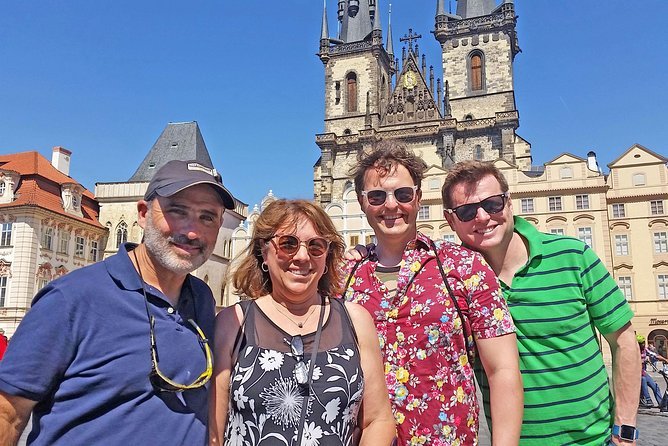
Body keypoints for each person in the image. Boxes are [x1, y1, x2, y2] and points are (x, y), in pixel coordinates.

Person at [0, 160, 235, 445]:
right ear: (143, 213)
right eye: (177, 211)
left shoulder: (201, 297)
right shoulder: (72, 297)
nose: (193, 231)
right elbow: (8, 414)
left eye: (207, 217)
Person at [440, 160, 641, 445]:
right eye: (467, 211)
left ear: (509, 203)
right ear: (451, 221)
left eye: (493, 204)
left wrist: (625, 428)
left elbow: (624, 341)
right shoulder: (451, 280)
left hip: (596, 440)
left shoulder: (572, 256)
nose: (482, 217)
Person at [342, 144, 523, 446]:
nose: (391, 205)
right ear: (362, 202)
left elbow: (502, 371)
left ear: (418, 198)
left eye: (403, 194)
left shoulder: (464, 266)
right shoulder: (342, 276)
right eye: (377, 196)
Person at [209, 199, 395, 446]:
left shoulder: (355, 320)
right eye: (288, 244)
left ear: (327, 256)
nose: (302, 256)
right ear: (264, 251)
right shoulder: (233, 323)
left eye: (316, 246)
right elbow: (213, 431)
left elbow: (378, 420)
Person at [637, 334, 667, 408]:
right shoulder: (634, 352)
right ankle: (648, 400)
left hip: (643, 373)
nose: (643, 344)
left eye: (643, 342)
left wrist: (665, 359)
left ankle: (661, 403)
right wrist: (642, 361)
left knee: (655, 385)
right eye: (641, 343)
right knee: (643, 380)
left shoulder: (645, 350)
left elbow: (654, 355)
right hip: (636, 374)